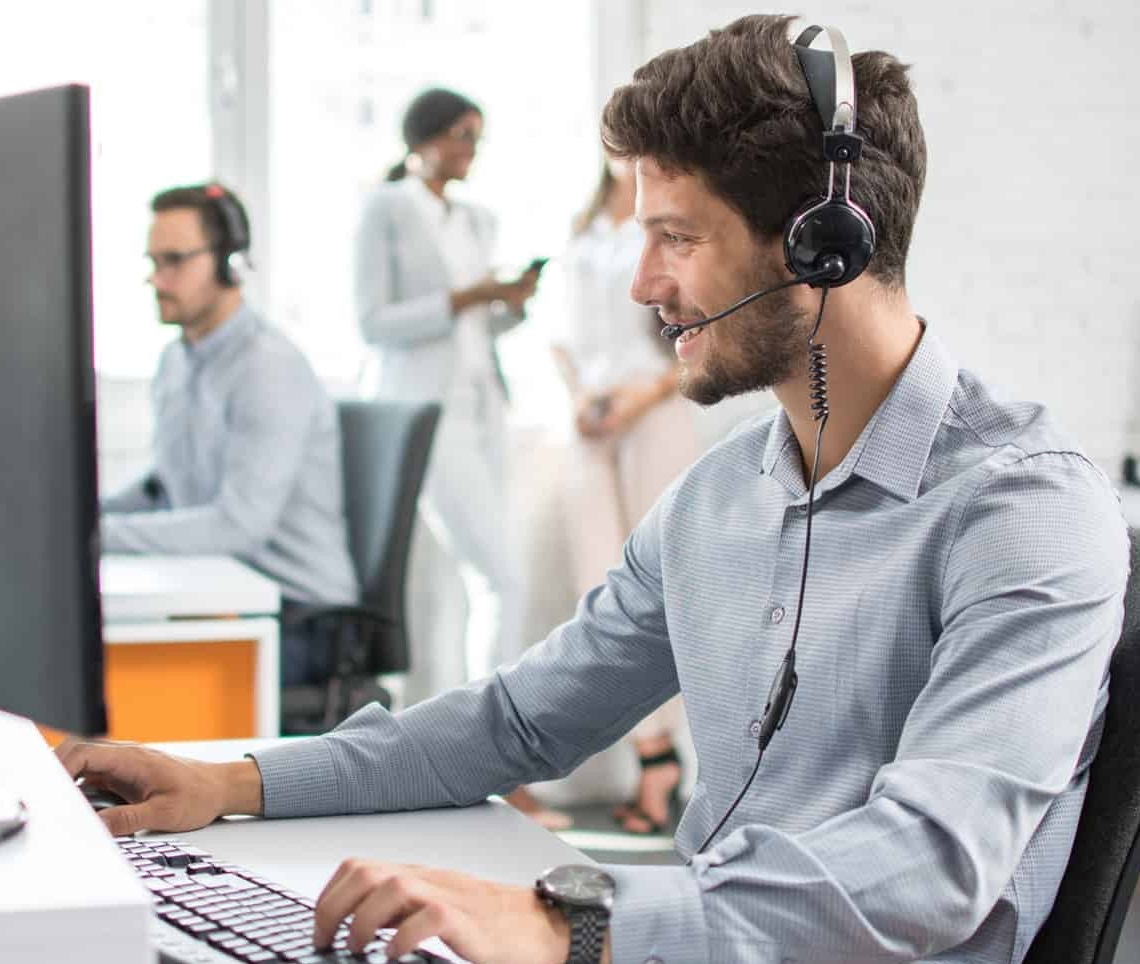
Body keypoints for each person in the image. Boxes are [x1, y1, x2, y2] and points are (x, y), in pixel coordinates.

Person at [63, 17, 1127, 964]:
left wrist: (569, 922)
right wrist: (234, 783)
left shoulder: (1021, 509)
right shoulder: (717, 500)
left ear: (820, 245)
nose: (640, 283)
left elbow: (929, 868)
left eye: (677, 236)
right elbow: (518, 723)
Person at [353, 89, 563, 826]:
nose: (472, 147)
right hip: (425, 415)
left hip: (483, 409)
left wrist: (510, 303)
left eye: (479, 135)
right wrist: (469, 293)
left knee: (466, 589)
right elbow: (374, 323)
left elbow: (482, 329)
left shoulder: (477, 217)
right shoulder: (387, 208)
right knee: (498, 577)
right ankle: (497, 759)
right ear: (426, 139)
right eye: (462, 135)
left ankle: (453, 754)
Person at [101, 184, 360, 687]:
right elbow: (164, 487)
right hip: (223, 596)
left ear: (231, 264)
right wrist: (80, 519)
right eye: (153, 261)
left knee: (123, 687)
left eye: (174, 260)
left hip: (300, 620)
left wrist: (96, 540)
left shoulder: (268, 368)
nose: (157, 278)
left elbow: (237, 525)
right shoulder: (176, 361)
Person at [552, 156, 701, 834]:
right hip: (594, 418)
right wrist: (580, 396)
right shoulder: (583, 226)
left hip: (654, 408)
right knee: (602, 590)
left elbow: (702, 324)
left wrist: (643, 395)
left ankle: (662, 760)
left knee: (661, 584)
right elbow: (560, 335)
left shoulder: (670, 224)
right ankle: (653, 752)